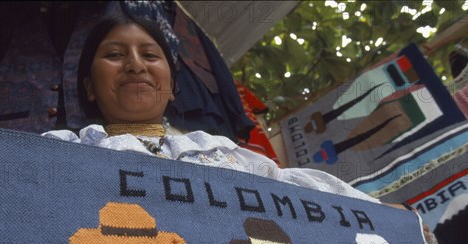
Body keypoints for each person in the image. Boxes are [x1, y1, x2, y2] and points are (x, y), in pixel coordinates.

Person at [42, 15, 388, 205]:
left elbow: (295, 187)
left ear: (174, 88)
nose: (135, 65)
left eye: (149, 55)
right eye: (116, 55)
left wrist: (385, 215)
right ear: (88, 86)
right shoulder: (55, 152)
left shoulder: (218, 151)